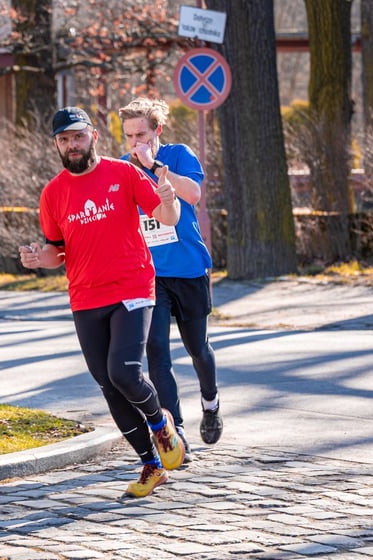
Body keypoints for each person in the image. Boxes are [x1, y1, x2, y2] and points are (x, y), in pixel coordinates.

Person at [19, 106, 185, 498]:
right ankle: (151, 464)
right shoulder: (53, 193)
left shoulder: (123, 173)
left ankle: (160, 423)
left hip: (132, 286)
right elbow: (56, 250)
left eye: (78, 136)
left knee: (124, 373)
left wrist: (169, 199)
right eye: (64, 139)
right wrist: (37, 259)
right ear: (56, 145)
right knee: (109, 386)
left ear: (93, 136)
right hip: (85, 296)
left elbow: (168, 216)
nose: (72, 145)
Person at [118, 97, 223, 459]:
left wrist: (155, 167)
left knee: (198, 349)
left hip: (189, 268)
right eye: (130, 136)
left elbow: (192, 194)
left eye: (142, 135)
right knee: (157, 354)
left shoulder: (178, 156)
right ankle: (175, 433)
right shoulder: (123, 168)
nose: (136, 143)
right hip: (150, 275)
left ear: (157, 130)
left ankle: (210, 403)